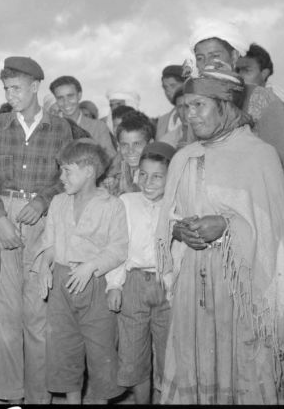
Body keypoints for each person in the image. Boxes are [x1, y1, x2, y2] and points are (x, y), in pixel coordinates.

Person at [156, 67, 284, 404]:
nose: (190, 115)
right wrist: (178, 230)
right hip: (193, 281)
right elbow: (167, 220)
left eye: (199, 105)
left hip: (244, 290)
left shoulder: (260, 156)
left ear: (225, 105)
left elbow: (278, 233)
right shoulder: (183, 158)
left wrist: (226, 226)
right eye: (186, 107)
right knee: (193, 360)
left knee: (243, 365)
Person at [0, 56, 72, 403]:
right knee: (5, 313)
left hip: (43, 221)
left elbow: (68, 178)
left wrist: (43, 201)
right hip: (3, 212)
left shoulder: (60, 128)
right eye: (6, 88)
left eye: (16, 88)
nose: (10, 94)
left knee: (37, 313)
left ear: (35, 87)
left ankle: (39, 394)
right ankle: (7, 393)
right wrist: (0, 219)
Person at [38, 139, 127, 404]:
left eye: (67, 170)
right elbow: (50, 244)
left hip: (94, 284)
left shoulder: (112, 206)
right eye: (61, 170)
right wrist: (45, 265)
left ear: (89, 171)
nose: (61, 177)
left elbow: (118, 249)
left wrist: (90, 267)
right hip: (62, 285)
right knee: (64, 348)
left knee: (100, 351)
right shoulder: (58, 202)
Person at [107, 141, 175, 404]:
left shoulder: (176, 207)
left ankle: (163, 398)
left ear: (171, 177)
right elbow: (118, 247)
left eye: (158, 176)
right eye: (143, 174)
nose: (149, 182)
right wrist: (114, 284)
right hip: (133, 283)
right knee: (134, 352)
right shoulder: (126, 202)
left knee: (167, 351)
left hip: (166, 285)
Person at [189, 20, 284, 187]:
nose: (207, 64)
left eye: (215, 56)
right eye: (200, 58)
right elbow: (192, 159)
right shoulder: (196, 103)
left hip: (260, 196)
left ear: (234, 56)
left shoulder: (262, 99)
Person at [237, 43, 284, 150]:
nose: (239, 76)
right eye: (237, 70)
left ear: (264, 74)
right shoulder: (236, 97)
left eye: (246, 70)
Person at [50, 75, 116, 158]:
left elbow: (111, 159)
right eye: (60, 98)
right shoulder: (50, 128)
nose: (66, 102)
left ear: (79, 95)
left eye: (70, 96)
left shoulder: (98, 127)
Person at [108, 110, 155, 197]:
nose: (130, 150)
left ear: (150, 144)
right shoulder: (117, 172)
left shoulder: (159, 173)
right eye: (125, 144)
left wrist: (132, 191)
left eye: (137, 144)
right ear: (118, 146)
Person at [155, 65, 185, 141]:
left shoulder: (197, 115)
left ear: (185, 84)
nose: (168, 91)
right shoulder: (162, 120)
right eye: (165, 87)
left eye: (173, 86)